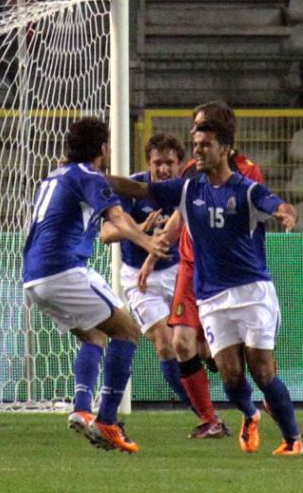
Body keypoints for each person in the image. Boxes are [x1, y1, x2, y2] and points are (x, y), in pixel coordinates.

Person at [108, 117, 303, 456]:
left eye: (205, 144)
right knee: (230, 376)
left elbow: (276, 204)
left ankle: (292, 438)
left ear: (224, 149)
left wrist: (287, 213)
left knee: (262, 371)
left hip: (252, 292)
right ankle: (250, 414)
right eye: (196, 144)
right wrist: (91, 177)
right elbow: (138, 189)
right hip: (211, 297)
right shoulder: (188, 188)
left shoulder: (246, 189)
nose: (197, 150)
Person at [22, 117, 167, 454]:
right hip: (63, 270)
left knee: (95, 335)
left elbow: (116, 189)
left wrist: (147, 192)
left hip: (34, 277)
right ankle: (107, 420)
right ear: (104, 148)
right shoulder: (87, 176)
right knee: (128, 331)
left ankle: (83, 407)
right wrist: (146, 241)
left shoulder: (57, 175)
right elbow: (116, 216)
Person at [138, 101, 265, 446]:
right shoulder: (191, 170)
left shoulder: (249, 173)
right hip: (191, 267)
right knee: (180, 343)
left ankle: (258, 402)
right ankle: (210, 420)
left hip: (229, 275)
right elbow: (181, 215)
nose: (193, 133)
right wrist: (153, 255)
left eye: (199, 126)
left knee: (242, 357)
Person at [100, 133, 229, 438]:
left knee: (204, 347)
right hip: (139, 279)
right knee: (166, 345)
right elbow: (106, 233)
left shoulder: (185, 190)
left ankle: (227, 390)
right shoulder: (133, 189)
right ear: (148, 163)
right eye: (157, 163)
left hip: (180, 272)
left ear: (179, 164)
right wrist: (138, 230)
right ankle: (208, 417)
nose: (163, 169)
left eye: (169, 163)